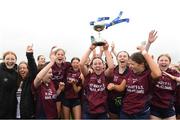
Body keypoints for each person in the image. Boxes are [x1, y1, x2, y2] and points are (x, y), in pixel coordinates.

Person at [120, 44, 161, 119]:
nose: (130, 66)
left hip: (141, 112)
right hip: (126, 111)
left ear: (141, 64)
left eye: (132, 64)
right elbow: (121, 88)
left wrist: (144, 51)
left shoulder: (148, 74)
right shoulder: (130, 72)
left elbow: (158, 74)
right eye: (129, 64)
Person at [80, 41, 114, 119]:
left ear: (103, 65)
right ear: (91, 66)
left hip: (102, 111)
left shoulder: (105, 75)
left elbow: (111, 67)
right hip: (89, 110)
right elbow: (81, 64)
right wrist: (90, 49)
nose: (97, 65)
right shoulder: (88, 75)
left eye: (99, 63)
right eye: (95, 64)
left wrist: (106, 50)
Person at [32, 47, 65, 119]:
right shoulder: (38, 85)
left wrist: (59, 89)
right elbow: (38, 77)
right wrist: (52, 63)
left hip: (53, 116)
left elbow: (54, 96)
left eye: (52, 72)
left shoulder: (51, 83)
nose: (52, 75)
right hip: (42, 116)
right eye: (49, 73)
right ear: (43, 73)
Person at [150, 54, 180, 119]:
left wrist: (174, 78)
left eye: (166, 60)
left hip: (168, 107)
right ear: (157, 61)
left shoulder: (173, 72)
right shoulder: (154, 71)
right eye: (161, 60)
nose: (163, 62)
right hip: (154, 106)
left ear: (169, 62)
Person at [107, 42, 130, 119]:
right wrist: (112, 50)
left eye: (125, 56)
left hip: (126, 103)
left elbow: (121, 88)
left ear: (129, 59)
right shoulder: (113, 69)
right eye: (120, 56)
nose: (122, 58)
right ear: (117, 59)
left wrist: (113, 86)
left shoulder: (131, 71)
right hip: (112, 102)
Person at [17, 44, 37, 118]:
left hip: (28, 114)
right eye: (20, 68)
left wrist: (29, 55)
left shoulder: (30, 80)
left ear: (28, 70)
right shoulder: (16, 81)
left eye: (24, 68)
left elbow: (33, 69)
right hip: (15, 113)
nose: (22, 69)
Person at [51, 47, 71, 118]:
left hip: (63, 92)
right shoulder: (51, 65)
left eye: (62, 55)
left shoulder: (67, 64)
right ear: (55, 56)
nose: (60, 56)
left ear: (64, 56)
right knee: (56, 113)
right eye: (58, 54)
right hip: (53, 92)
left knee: (63, 114)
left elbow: (77, 67)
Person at [0, 51, 19, 118]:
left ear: (16, 60)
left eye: (12, 59)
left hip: (12, 108)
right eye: (7, 59)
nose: (10, 61)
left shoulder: (17, 73)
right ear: (4, 60)